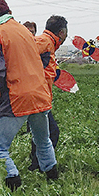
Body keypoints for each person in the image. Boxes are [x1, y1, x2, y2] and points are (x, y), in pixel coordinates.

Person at [0, 0, 57, 191]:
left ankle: (13, 184)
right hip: (40, 95)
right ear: (10, 12)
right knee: (43, 140)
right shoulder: (25, 31)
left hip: (17, 97)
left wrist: (1, 96)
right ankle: (53, 178)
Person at [29, 15, 68, 171]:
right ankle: (40, 166)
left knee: (42, 133)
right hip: (36, 96)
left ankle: (36, 165)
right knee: (50, 133)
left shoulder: (48, 43)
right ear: (61, 32)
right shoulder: (44, 42)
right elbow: (26, 59)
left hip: (39, 96)